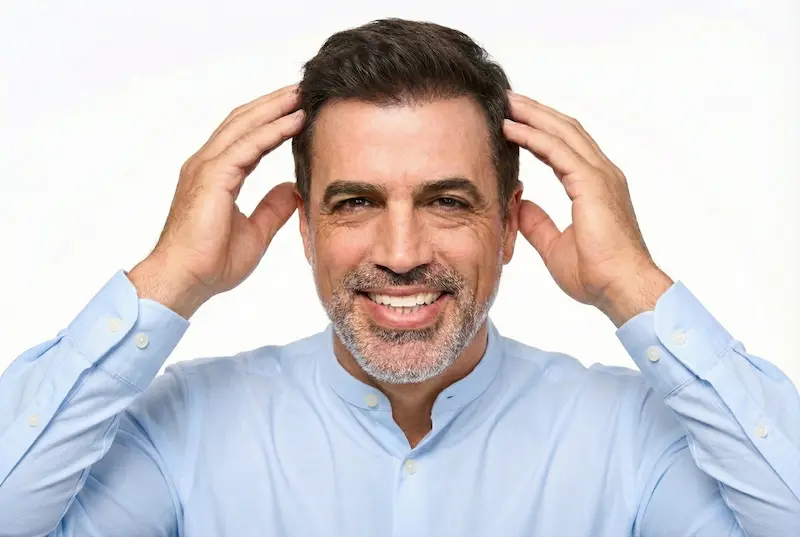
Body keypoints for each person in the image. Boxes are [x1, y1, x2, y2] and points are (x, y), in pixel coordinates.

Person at [0, 18, 797, 537]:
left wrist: (635, 285)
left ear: (511, 223)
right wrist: (168, 278)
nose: (403, 249)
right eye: (355, 203)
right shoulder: (179, 429)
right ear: (305, 229)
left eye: (448, 201)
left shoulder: (631, 439)